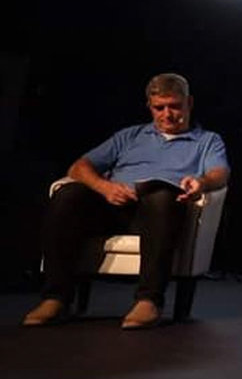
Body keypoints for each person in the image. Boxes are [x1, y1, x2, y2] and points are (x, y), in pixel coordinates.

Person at [22, 73, 231, 330]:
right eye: (159, 108)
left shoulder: (207, 141)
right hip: (115, 206)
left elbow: (219, 173)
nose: (167, 114)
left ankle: (149, 301)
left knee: (161, 197)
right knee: (68, 195)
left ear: (189, 103)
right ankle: (55, 298)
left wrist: (201, 182)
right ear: (150, 107)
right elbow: (79, 166)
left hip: (160, 214)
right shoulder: (130, 136)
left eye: (175, 106)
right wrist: (105, 187)